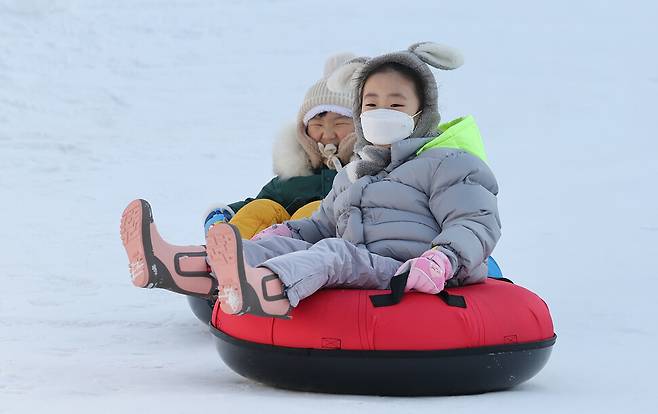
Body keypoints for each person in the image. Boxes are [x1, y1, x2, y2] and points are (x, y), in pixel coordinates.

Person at [120, 42, 501, 320]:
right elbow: (321, 225)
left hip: (412, 271)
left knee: (334, 254)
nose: (381, 111)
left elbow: (475, 222)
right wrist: (282, 235)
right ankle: (172, 265)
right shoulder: (354, 174)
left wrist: (442, 259)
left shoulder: (447, 162)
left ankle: (263, 291)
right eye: (371, 103)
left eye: (396, 103)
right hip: (365, 263)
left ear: (422, 111)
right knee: (271, 249)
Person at [203, 53, 356, 240]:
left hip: (330, 253)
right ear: (304, 130)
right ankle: (228, 249)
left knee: (313, 212)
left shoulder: (367, 171)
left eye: (340, 123)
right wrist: (225, 215)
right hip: (270, 253)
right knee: (263, 208)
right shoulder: (295, 178)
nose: (328, 134)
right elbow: (256, 203)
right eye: (318, 125)